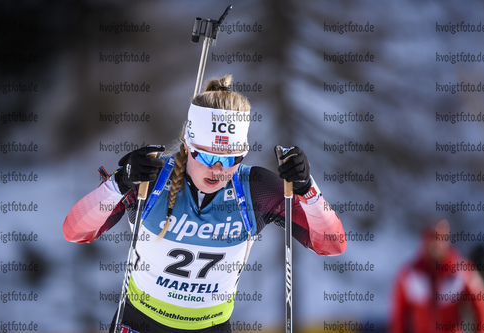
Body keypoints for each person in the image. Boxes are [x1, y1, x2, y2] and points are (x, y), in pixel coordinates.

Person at [63, 75, 346, 332]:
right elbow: (74, 231)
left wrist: (308, 190)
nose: (218, 170)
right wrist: (119, 184)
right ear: (188, 146)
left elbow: (332, 244)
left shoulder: (256, 189)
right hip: (140, 323)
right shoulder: (150, 177)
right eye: (209, 157)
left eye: (231, 159)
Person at [389, 219, 484, 333]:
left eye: (439, 238)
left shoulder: (462, 270)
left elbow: (481, 307)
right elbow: (398, 317)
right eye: (431, 238)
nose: (435, 244)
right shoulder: (409, 274)